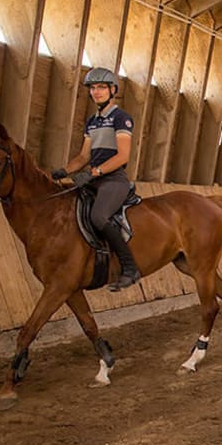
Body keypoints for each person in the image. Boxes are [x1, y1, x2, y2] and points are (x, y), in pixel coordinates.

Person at [51, 67, 141, 290]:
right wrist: (64, 171)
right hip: (94, 178)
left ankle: (130, 267)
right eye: (92, 88)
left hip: (113, 179)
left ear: (113, 90)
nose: (96, 92)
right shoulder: (92, 121)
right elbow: (84, 156)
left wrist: (94, 172)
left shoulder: (121, 118)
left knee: (99, 216)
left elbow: (123, 156)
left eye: (101, 87)